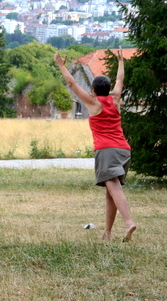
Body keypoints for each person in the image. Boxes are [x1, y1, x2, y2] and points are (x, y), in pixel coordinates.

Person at [54, 50, 137, 241]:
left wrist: (61, 65)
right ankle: (107, 233)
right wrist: (121, 62)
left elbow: (72, 84)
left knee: (114, 188)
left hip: (106, 150)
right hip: (123, 150)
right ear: (108, 89)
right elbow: (120, 81)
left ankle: (128, 222)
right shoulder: (115, 99)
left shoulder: (93, 103)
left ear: (93, 90)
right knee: (111, 191)